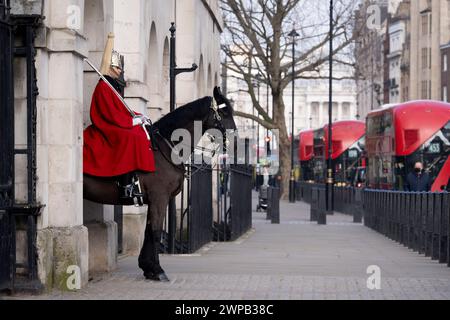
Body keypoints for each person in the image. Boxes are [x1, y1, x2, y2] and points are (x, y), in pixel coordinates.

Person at [83, 33, 155, 204]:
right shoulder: (103, 87)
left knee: (139, 132)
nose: (121, 71)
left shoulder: (111, 86)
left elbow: (121, 111)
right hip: (106, 125)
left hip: (115, 122)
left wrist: (138, 117)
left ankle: (134, 178)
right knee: (131, 137)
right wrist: (131, 122)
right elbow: (110, 114)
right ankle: (126, 184)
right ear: (110, 67)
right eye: (118, 67)